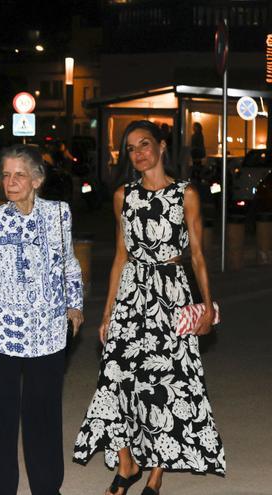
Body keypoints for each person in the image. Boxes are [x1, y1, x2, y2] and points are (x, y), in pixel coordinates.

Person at [73, 120, 225, 494]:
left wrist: (206, 306)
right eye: (131, 149)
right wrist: (107, 313)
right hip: (131, 293)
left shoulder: (185, 193)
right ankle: (128, 464)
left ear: (160, 147)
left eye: (144, 145)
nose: (138, 153)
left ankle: (156, 473)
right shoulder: (124, 195)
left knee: (166, 382)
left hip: (171, 294)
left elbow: (198, 256)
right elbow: (121, 256)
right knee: (115, 377)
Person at [0, 144, 84, 495]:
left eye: (19, 174)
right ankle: (0, 489)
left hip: (47, 331)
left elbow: (69, 263)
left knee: (43, 415)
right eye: (6, 174)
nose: (11, 181)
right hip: (0, 329)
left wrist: (75, 306)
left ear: (37, 179)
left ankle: (47, 487)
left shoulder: (59, 214)